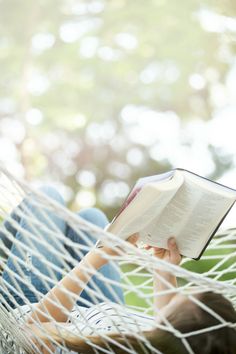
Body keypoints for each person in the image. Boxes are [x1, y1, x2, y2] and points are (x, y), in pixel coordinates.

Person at [0, 187, 236, 354]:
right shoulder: (168, 345)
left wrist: (94, 261)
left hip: (32, 313)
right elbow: (167, 329)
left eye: (178, 300)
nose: (175, 295)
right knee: (92, 217)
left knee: (47, 197)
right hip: (103, 313)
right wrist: (163, 269)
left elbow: (28, 336)